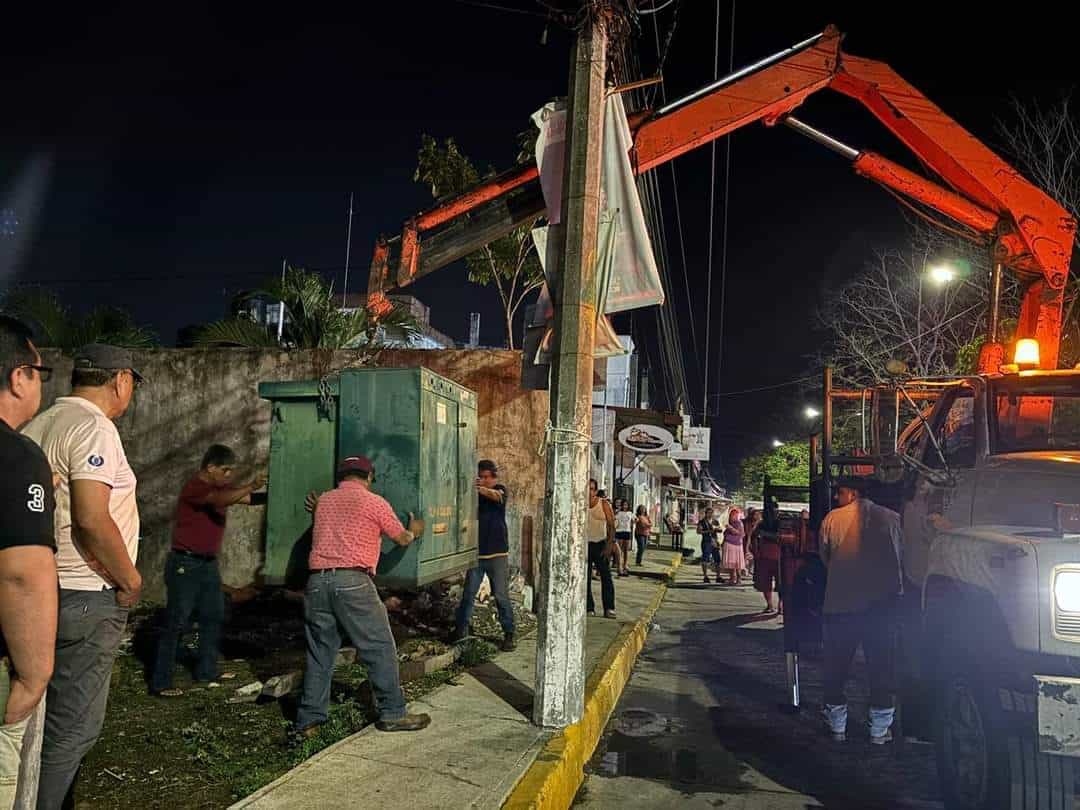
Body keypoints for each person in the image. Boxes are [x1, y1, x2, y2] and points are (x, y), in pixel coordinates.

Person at [22, 344, 143, 810]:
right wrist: (129, 579)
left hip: (36, 591)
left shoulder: (38, 426)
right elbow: (91, 518)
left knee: (33, 721)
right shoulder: (95, 428)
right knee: (71, 732)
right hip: (86, 594)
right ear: (122, 381)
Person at [295, 456, 430, 738]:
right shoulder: (374, 502)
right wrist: (415, 530)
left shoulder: (325, 502)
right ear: (368, 478)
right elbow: (401, 538)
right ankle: (392, 713)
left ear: (340, 478)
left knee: (320, 653)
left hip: (317, 582)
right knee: (379, 646)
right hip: (353, 581)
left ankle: (309, 721)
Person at [150, 445, 267, 696]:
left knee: (213, 616)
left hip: (207, 564)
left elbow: (243, 498)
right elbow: (222, 499)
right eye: (225, 471)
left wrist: (271, 494)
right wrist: (251, 485)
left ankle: (206, 670)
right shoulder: (197, 487)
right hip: (185, 563)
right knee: (177, 622)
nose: (228, 476)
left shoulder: (220, 490)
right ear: (210, 467)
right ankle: (161, 681)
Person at [0, 317, 57, 810]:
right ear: (19, 376)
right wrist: (34, 676)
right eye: (42, 372)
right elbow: (22, 573)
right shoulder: (16, 456)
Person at [818, 478, 903, 745]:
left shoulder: (832, 519)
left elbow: (825, 556)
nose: (836, 498)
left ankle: (837, 726)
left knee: (836, 667)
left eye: (840, 492)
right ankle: (879, 730)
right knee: (881, 668)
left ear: (853, 493)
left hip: (841, 605)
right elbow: (902, 556)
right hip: (882, 606)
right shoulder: (893, 519)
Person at [453, 460, 515, 652]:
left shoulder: (499, 490)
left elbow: (497, 496)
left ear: (494, 477)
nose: (484, 480)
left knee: (501, 597)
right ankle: (460, 631)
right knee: (468, 594)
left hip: (497, 554)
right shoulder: (475, 495)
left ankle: (509, 633)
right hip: (477, 554)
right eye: (481, 477)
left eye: (487, 477)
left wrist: (479, 489)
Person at [586, 479, 616, 618]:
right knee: (585, 578)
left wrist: (609, 545)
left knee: (606, 576)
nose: (589, 491)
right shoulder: (580, 502)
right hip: (585, 544)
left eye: (592, 489)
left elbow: (611, 525)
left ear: (596, 491)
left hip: (600, 544)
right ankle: (588, 607)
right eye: (588, 488)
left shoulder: (603, 504)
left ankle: (609, 608)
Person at [750, 508, 780, 613]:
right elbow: (753, 538)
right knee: (767, 582)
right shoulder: (761, 524)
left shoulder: (779, 524)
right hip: (766, 556)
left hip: (775, 556)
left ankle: (777, 605)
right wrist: (756, 552)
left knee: (780, 582)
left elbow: (753, 538)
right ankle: (771, 605)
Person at [722, 507, 746, 585]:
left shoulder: (739, 523)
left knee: (737, 563)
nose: (733, 516)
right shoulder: (730, 523)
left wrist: (730, 528)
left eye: (735, 514)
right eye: (732, 514)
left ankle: (738, 579)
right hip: (729, 543)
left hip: (736, 545)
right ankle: (732, 578)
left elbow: (740, 533)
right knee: (731, 563)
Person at [698, 507, 720, 583]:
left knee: (717, 560)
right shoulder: (702, 522)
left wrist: (718, 530)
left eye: (711, 513)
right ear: (706, 513)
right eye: (709, 513)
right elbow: (699, 531)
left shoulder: (715, 521)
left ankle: (718, 576)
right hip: (706, 541)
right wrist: (709, 531)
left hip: (714, 542)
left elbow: (719, 529)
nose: (710, 514)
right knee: (705, 559)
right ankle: (705, 576)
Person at [612, 500, 633, 576]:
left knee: (626, 550)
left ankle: (625, 564)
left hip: (627, 531)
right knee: (619, 550)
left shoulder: (630, 513)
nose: (625, 506)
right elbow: (614, 519)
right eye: (624, 505)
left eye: (626, 505)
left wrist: (634, 522)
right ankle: (619, 565)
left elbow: (635, 519)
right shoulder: (619, 513)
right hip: (619, 531)